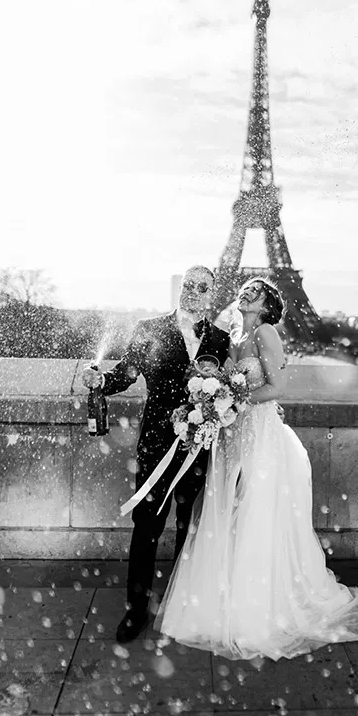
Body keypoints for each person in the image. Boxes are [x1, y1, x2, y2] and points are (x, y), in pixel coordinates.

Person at [156, 277, 358, 660]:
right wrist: (217, 399)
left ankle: (256, 609)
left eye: (257, 290)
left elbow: (277, 388)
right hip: (232, 434)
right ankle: (233, 602)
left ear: (267, 304)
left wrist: (230, 399)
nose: (247, 291)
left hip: (257, 434)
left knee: (253, 512)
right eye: (245, 287)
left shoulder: (266, 332)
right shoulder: (233, 334)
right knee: (231, 512)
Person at [82, 266, 229, 643]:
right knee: (147, 527)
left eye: (203, 287)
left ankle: (184, 605)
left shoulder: (221, 339)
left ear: (212, 294)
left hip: (198, 447)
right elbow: (127, 372)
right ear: (181, 289)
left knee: (189, 527)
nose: (194, 291)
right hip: (156, 444)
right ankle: (136, 610)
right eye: (190, 284)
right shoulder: (150, 328)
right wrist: (102, 381)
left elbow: (228, 392)